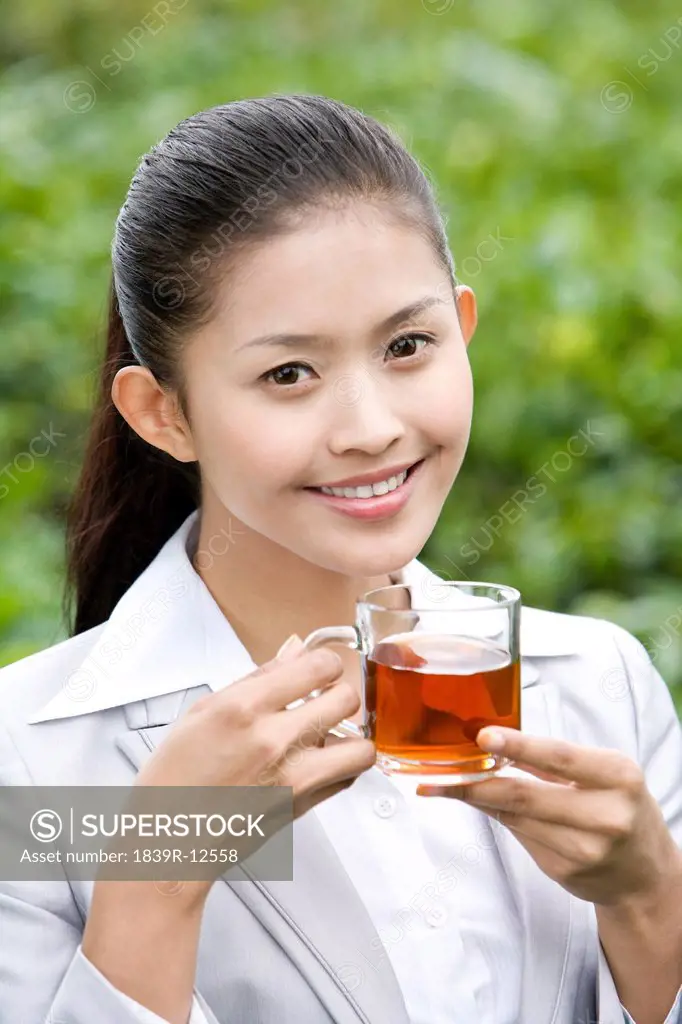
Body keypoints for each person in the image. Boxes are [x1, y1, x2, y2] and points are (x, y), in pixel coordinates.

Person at [0, 93, 680, 1024]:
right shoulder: (30, 763)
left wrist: (647, 899)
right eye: (289, 374)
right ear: (165, 413)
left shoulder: (603, 688)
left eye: (409, 345)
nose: (371, 429)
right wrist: (159, 874)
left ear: (463, 327)